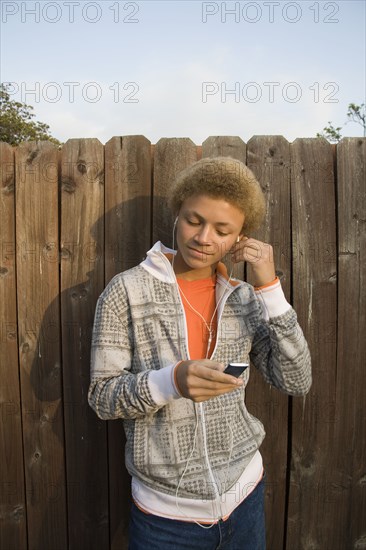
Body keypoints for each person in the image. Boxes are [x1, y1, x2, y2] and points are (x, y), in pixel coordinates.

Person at [88, 156, 312, 550]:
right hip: (165, 517)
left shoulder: (243, 298)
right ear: (177, 213)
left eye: (222, 230)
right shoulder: (126, 292)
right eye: (194, 220)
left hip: (245, 496)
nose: (204, 237)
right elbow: (103, 398)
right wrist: (170, 381)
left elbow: (296, 380)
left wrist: (270, 290)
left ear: (240, 238)